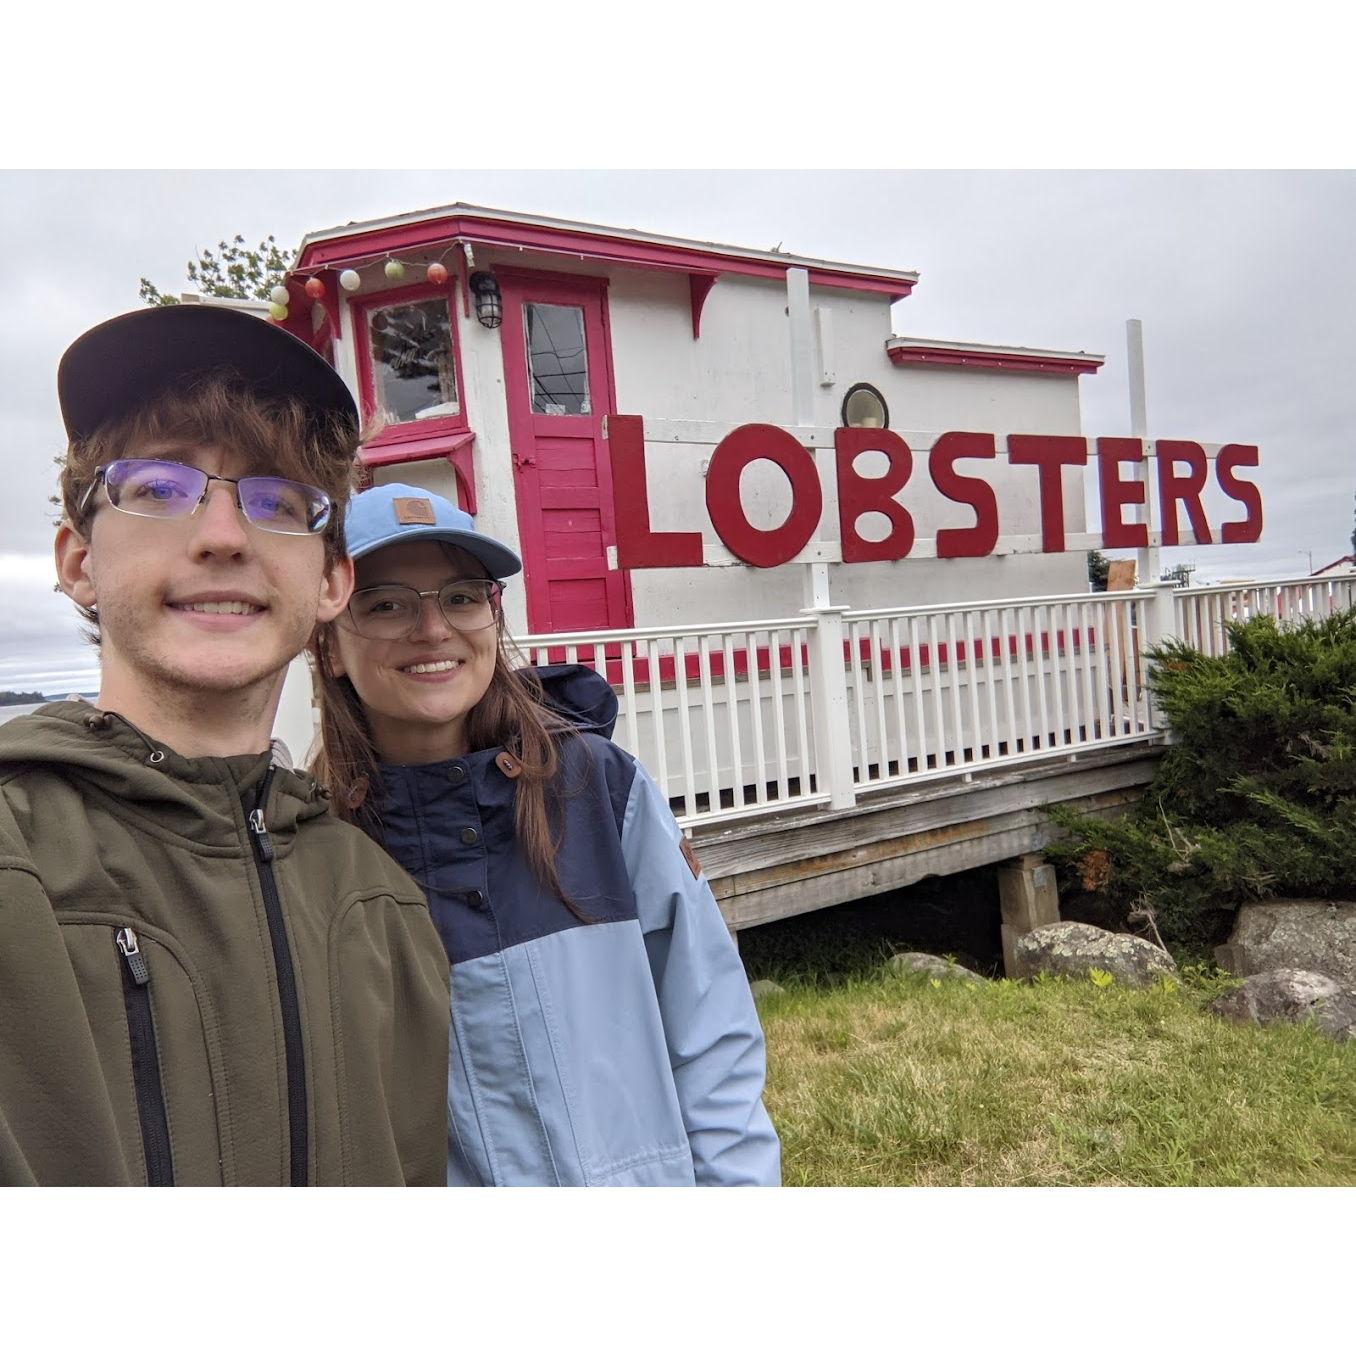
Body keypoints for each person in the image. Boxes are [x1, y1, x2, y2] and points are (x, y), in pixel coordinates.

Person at [0, 306, 450, 1186]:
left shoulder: (382, 909)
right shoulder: (17, 866)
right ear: (79, 560)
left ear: (329, 580)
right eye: (160, 488)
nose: (223, 536)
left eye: (280, 501)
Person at [311, 482, 781, 1186]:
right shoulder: (318, 854)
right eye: (385, 604)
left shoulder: (601, 789)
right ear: (331, 649)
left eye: (463, 597)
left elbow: (710, 1031)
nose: (433, 629)